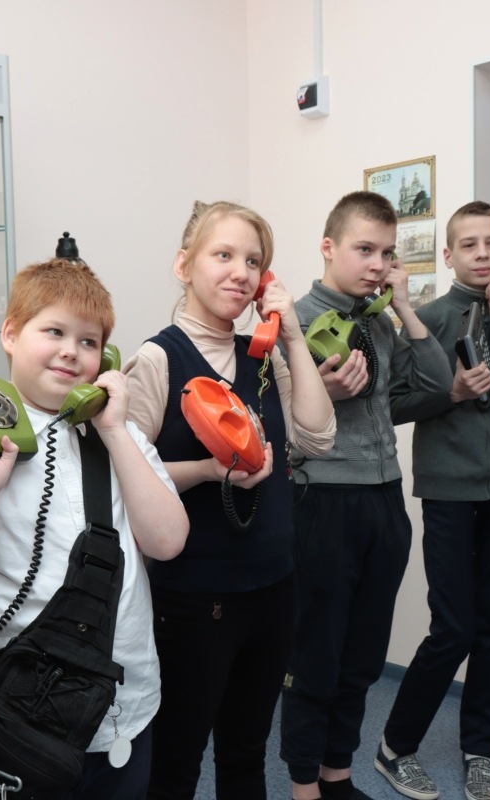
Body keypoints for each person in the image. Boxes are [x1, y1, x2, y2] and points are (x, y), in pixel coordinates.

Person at [0, 257, 189, 800]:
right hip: (18, 711)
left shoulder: (116, 433)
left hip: (123, 702)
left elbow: (166, 541)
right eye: (54, 332)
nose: (71, 351)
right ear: (11, 335)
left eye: (89, 342)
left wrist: (115, 431)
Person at [124, 200, 336, 800]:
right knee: (176, 762)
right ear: (183, 266)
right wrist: (207, 470)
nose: (240, 272)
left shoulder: (262, 357)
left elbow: (318, 437)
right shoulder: (158, 359)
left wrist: (289, 333)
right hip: (195, 598)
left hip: (273, 587)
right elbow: (128, 479)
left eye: (253, 262)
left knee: (246, 755)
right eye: (223, 255)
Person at [281, 190, 452, 800]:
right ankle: (304, 787)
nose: (377, 264)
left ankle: (338, 776)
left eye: (386, 252)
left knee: (362, 656)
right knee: (316, 656)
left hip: (384, 501)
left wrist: (404, 308)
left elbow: (437, 384)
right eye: (364, 249)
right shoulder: (293, 322)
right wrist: (320, 396)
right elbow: (269, 423)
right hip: (323, 501)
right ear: (328, 248)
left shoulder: (378, 321)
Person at [377, 201, 490, 800]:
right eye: (468, 244)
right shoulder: (426, 319)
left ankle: (480, 752)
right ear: (448, 255)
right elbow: (395, 404)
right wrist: (451, 393)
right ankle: (394, 747)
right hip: (449, 490)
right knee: (454, 628)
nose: (482, 253)